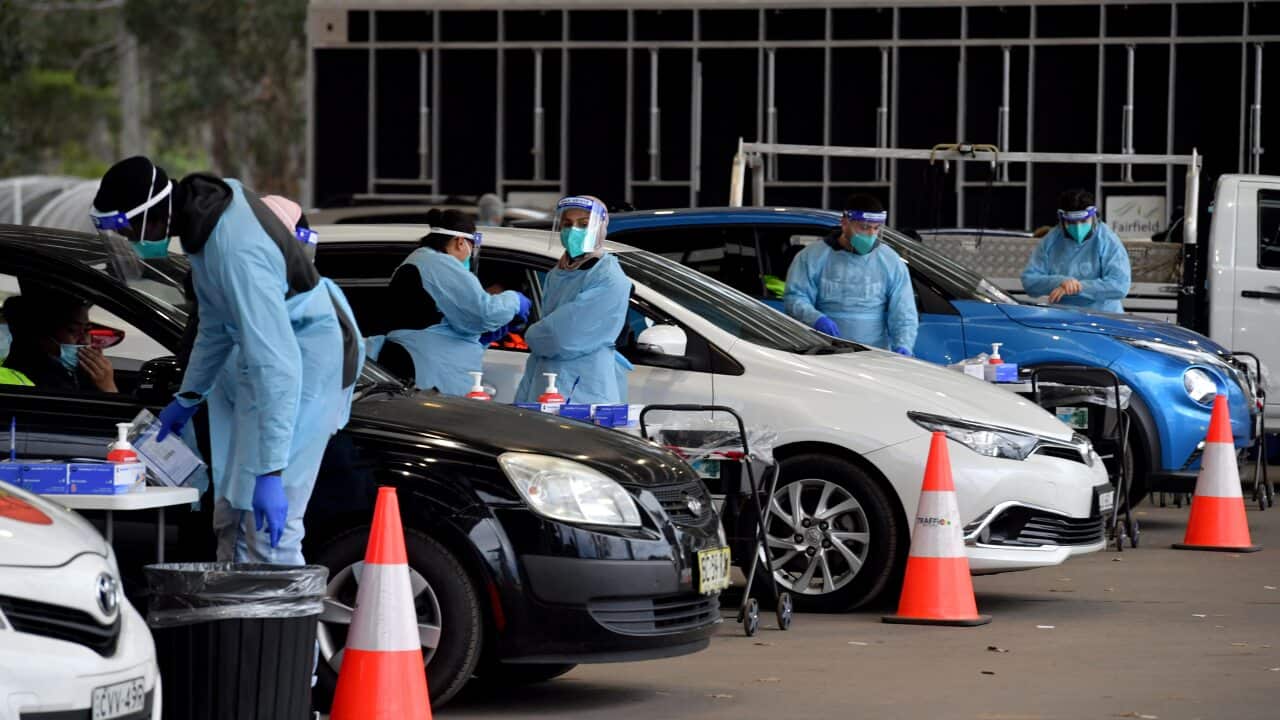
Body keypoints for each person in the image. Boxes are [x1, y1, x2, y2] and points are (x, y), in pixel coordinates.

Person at [90, 156, 361, 565]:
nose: (128, 239)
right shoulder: (206, 222)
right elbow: (214, 327)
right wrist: (188, 396)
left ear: (149, 214)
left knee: (270, 530)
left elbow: (279, 366)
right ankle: (236, 619)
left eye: (126, 228)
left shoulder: (235, 251)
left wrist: (272, 472)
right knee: (233, 511)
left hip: (309, 360)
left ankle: (285, 627)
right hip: (279, 361)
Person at [365, 210, 530, 395]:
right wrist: (515, 300)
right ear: (460, 242)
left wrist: (480, 337)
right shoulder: (436, 263)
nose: (470, 255)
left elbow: (447, 318)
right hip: (427, 372)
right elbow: (483, 312)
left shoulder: (422, 261)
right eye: (472, 247)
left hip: (424, 368)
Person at [514, 195, 632, 405]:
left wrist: (532, 334)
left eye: (584, 224)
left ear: (601, 227)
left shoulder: (608, 278)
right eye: (567, 224)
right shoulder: (558, 272)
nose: (573, 231)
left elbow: (562, 337)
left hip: (581, 387)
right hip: (547, 380)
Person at [783, 193, 918, 355]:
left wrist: (903, 345)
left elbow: (904, 311)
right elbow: (795, 297)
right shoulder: (813, 257)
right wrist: (816, 319)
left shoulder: (890, 261)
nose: (870, 234)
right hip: (825, 351)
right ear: (845, 223)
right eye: (864, 227)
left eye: (876, 228)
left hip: (874, 354)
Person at [1021, 189, 1132, 313]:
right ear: (1062, 219)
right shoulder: (1051, 241)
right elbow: (1029, 281)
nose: (1078, 228)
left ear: (1094, 217)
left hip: (1103, 316)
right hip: (1062, 317)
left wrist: (1078, 287)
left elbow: (1119, 285)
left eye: (1084, 221)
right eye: (1072, 222)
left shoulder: (1107, 240)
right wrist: (1061, 281)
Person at [2, 293, 116, 392]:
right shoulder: (43, 379)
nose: (84, 340)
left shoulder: (73, 371)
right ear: (44, 336)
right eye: (72, 330)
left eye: (86, 330)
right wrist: (108, 388)